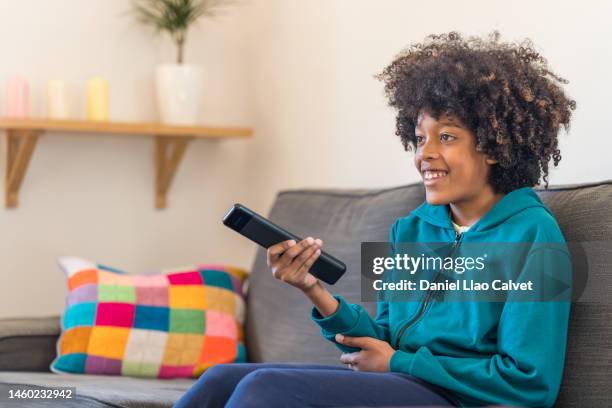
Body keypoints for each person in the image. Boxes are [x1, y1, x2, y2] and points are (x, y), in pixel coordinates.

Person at [175, 31, 576, 408]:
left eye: (447, 137)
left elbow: (530, 382)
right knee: (219, 379)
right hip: (400, 384)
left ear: (494, 146)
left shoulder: (535, 236)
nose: (425, 155)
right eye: (420, 139)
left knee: (264, 388)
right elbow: (382, 338)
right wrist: (312, 287)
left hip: (460, 398)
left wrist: (400, 363)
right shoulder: (408, 229)